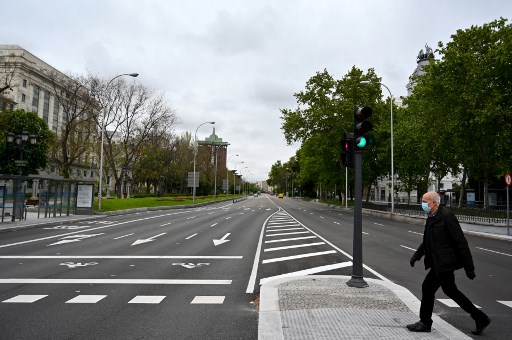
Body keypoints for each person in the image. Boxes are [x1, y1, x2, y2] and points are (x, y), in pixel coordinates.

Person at [407, 191, 491, 335]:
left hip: (444, 263)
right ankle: (480, 317)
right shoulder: (431, 217)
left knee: (427, 288)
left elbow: (461, 243)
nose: (423, 204)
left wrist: (469, 268)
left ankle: (425, 323)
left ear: (434, 203)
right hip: (438, 262)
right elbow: (427, 240)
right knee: (451, 291)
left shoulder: (447, 216)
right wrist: (417, 255)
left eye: (425, 201)